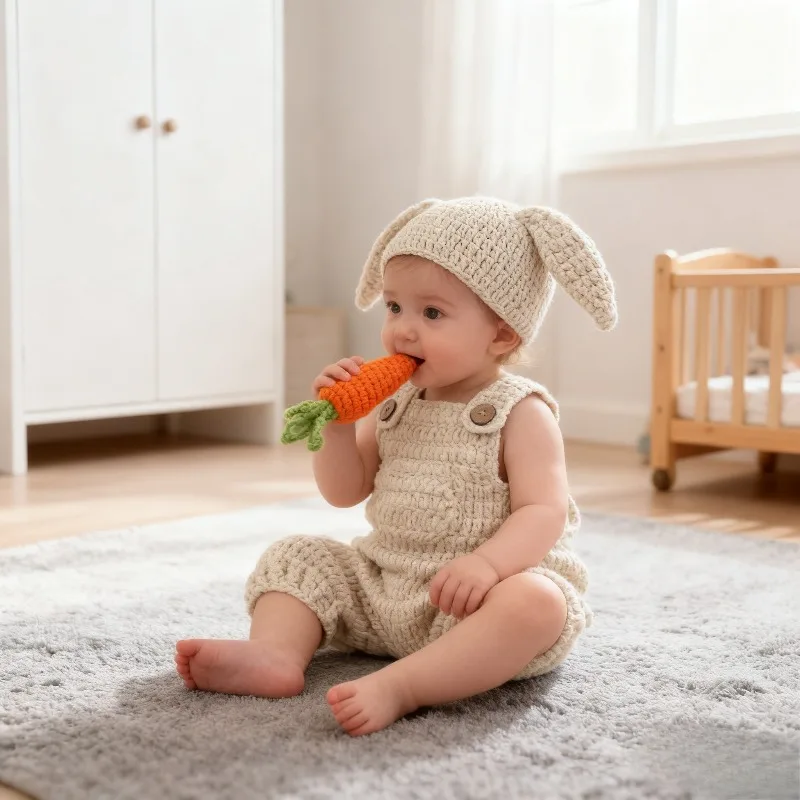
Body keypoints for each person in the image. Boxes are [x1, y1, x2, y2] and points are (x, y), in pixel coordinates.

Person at [175, 196, 618, 736]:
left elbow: (542, 511)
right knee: (298, 555)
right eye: (393, 307)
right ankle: (274, 655)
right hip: (384, 586)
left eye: (431, 313)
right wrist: (336, 428)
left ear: (501, 333)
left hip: (473, 602)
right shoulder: (394, 403)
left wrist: (487, 565)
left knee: (537, 605)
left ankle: (407, 684)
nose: (402, 330)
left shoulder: (520, 411)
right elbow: (346, 491)